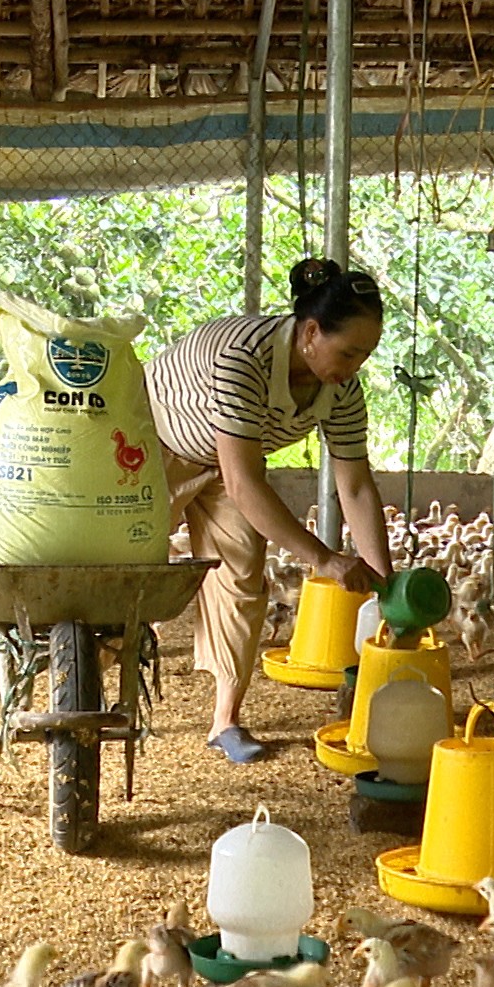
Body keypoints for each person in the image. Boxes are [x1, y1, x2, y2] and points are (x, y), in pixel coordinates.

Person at [144, 258, 394, 764]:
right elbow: (243, 482)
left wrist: (386, 584)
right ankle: (89, 684)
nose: (355, 367)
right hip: (153, 448)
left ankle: (225, 721)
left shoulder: (341, 389)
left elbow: (355, 486)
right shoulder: (244, 359)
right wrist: (324, 559)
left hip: (229, 460)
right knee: (127, 569)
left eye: (365, 355)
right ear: (311, 332)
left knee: (243, 575)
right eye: (348, 352)